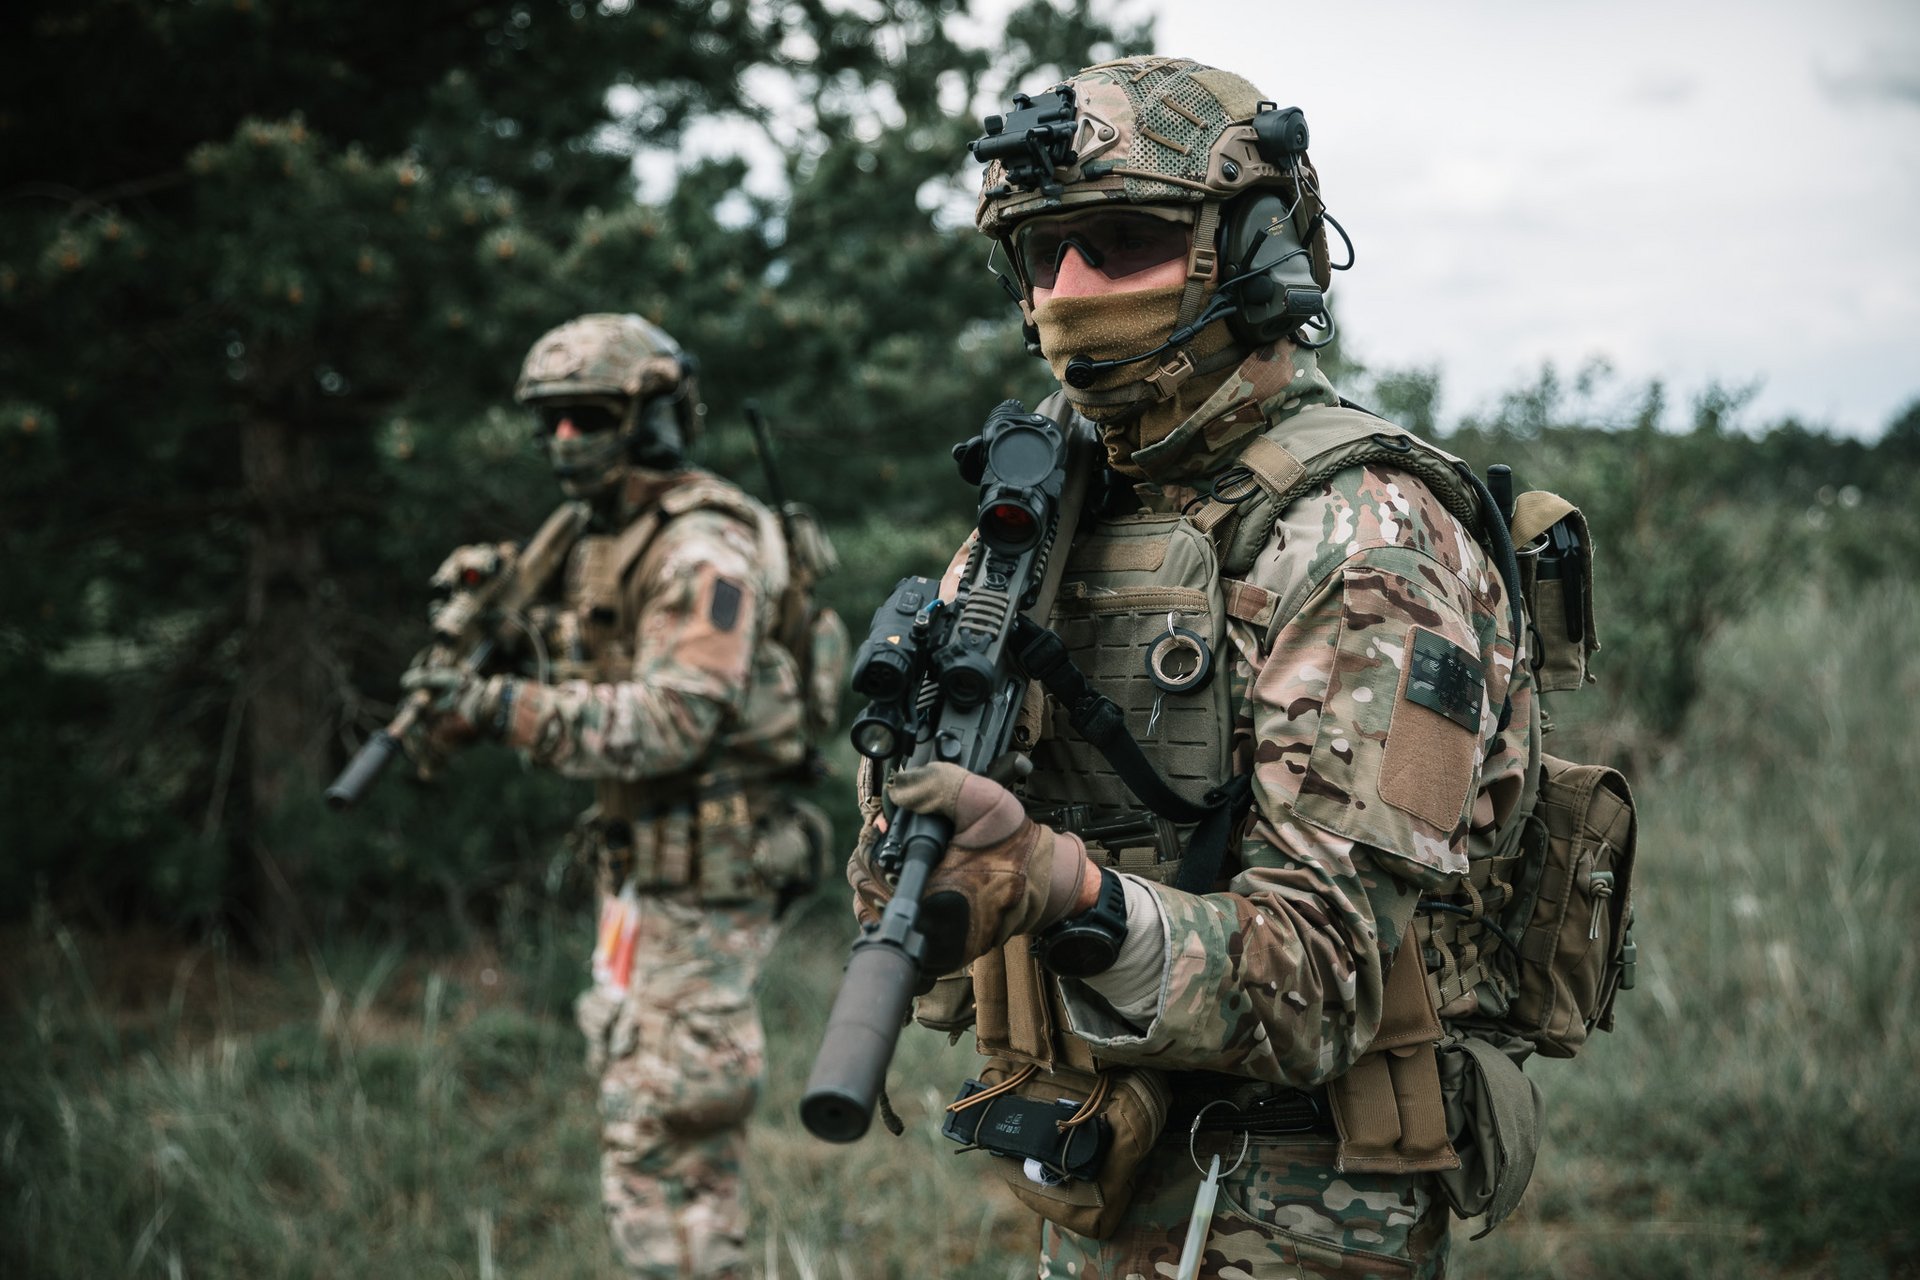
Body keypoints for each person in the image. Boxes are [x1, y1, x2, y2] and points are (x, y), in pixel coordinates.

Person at [848, 57, 1548, 1278]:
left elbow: (1327, 975)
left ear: (1258, 252)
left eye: (1121, 243)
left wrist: (1064, 888)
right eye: (1041, 254)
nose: (1068, 294)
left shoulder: (1368, 539)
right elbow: (909, 884)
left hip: (1295, 1198)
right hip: (1093, 1155)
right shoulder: (1054, 517)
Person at [407, 313, 834, 1280]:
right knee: (642, 1115)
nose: (565, 441)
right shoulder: (594, 532)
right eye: (549, 421)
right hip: (644, 877)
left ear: (653, 417)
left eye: (589, 415)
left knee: (669, 1137)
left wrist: (501, 705)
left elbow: (676, 721)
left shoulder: (703, 548)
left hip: (705, 872)